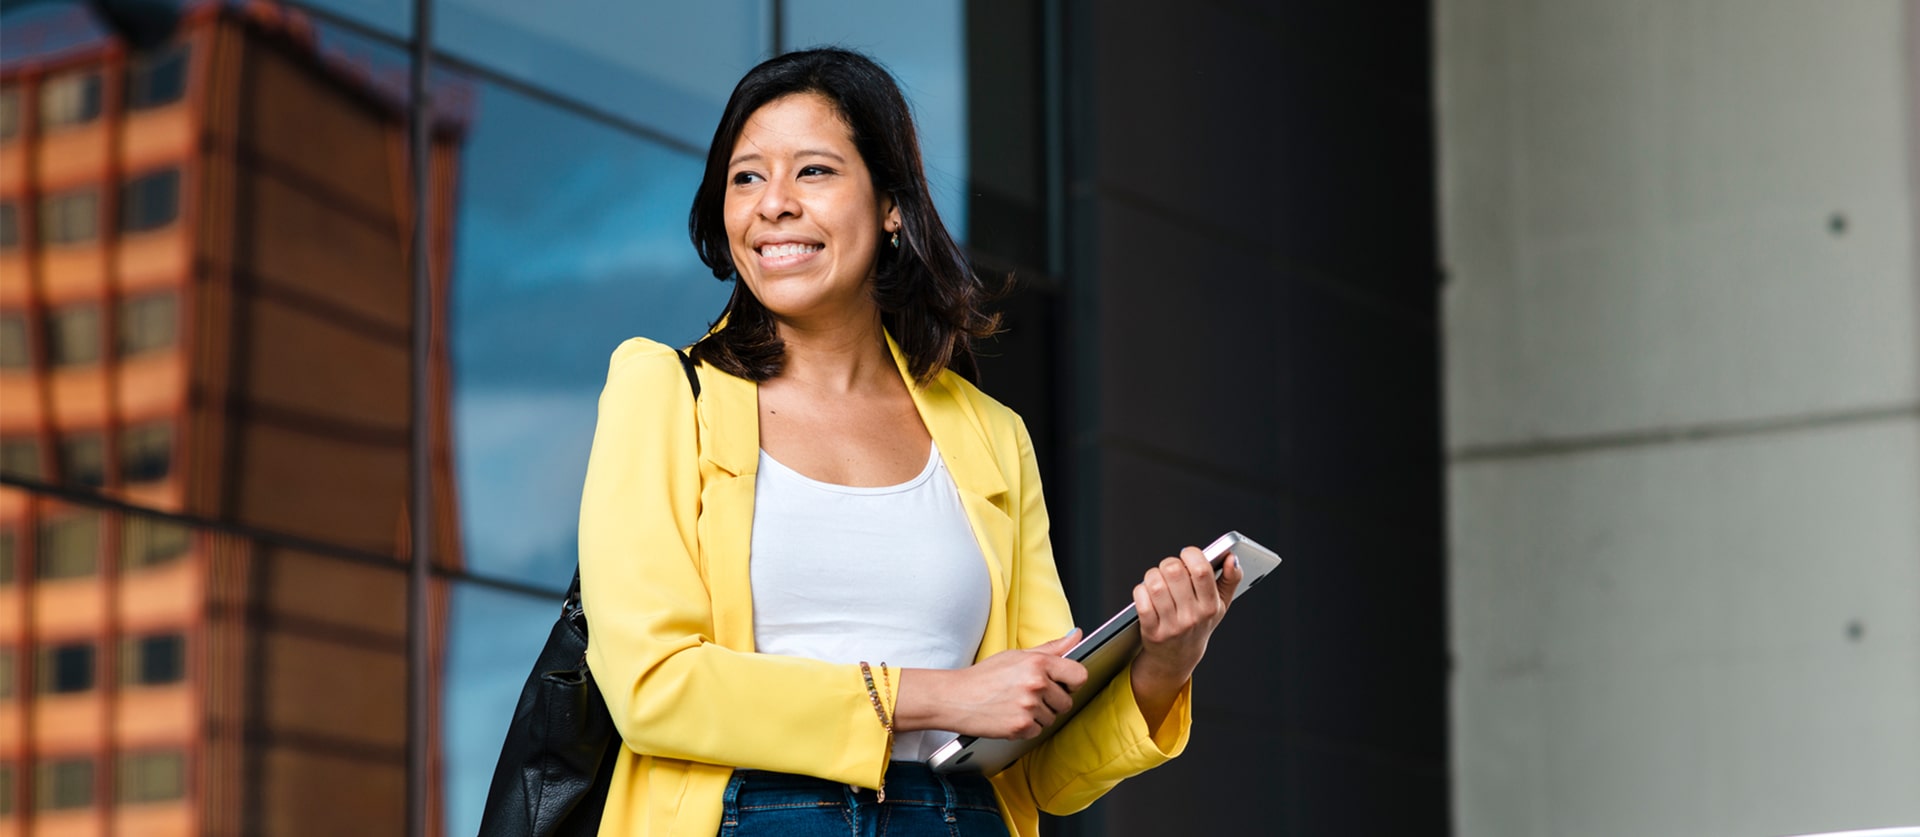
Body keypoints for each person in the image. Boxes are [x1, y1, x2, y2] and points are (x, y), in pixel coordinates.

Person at [577, 47, 1243, 837]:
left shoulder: (991, 435)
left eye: (813, 171)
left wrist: (1163, 665)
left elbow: (1041, 766)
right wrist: (931, 695)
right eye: (746, 177)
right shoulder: (664, 392)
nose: (774, 204)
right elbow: (652, 684)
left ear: (892, 203)